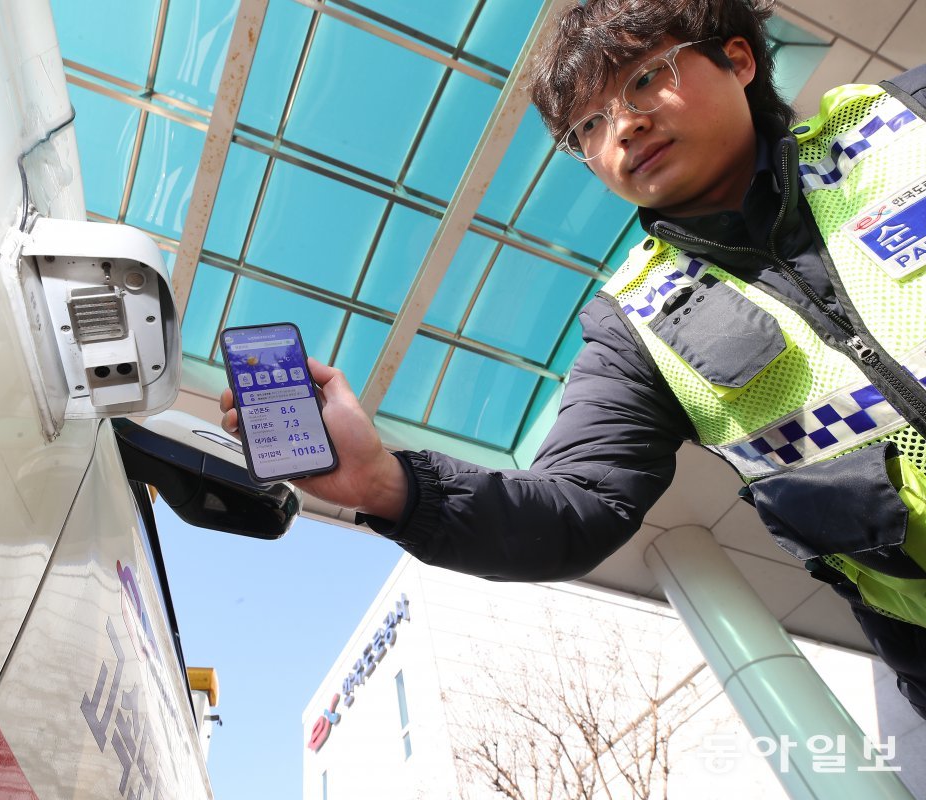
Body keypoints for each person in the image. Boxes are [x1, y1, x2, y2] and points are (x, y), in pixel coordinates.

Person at [220, 0, 926, 718]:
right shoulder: (636, 322)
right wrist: (383, 482)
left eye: (647, 77)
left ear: (737, 60)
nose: (623, 126)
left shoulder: (906, 124)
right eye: (587, 126)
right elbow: (578, 507)